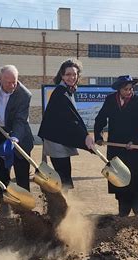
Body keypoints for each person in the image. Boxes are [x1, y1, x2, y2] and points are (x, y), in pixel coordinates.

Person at [38, 58, 95, 191]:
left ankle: (60, 208)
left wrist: (85, 137)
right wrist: (85, 136)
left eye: (74, 74)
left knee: (64, 176)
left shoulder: (68, 91)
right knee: (62, 177)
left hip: (59, 138)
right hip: (55, 140)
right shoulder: (61, 93)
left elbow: (72, 118)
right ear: (62, 75)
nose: (72, 77)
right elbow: (73, 119)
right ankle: (60, 209)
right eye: (68, 74)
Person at [94, 75, 138, 216]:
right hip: (116, 146)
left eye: (130, 89)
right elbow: (100, 118)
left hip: (134, 147)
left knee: (136, 177)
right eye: (125, 89)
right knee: (119, 176)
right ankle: (123, 208)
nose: (129, 91)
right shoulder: (110, 100)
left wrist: (134, 141)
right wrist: (98, 136)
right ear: (119, 89)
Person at [0, 65, 33, 217]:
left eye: (15, 82)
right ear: (0, 79)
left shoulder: (24, 95)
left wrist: (14, 139)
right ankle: (4, 209)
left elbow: (20, 120)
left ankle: (24, 211)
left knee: (22, 175)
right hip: (0, 134)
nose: (12, 86)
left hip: (19, 137)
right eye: (8, 82)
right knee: (2, 173)